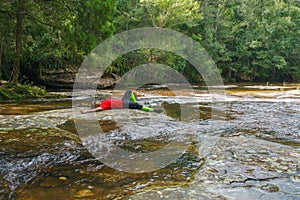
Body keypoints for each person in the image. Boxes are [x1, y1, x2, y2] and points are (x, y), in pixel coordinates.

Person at [81, 90, 157, 114]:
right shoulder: (102, 106)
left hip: (122, 101)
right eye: (95, 103)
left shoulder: (103, 102)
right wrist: (86, 111)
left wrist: (83, 104)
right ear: (96, 105)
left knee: (129, 92)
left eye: (95, 101)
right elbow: (97, 110)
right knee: (138, 106)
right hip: (124, 105)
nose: (96, 101)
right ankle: (153, 110)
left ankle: (135, 102)